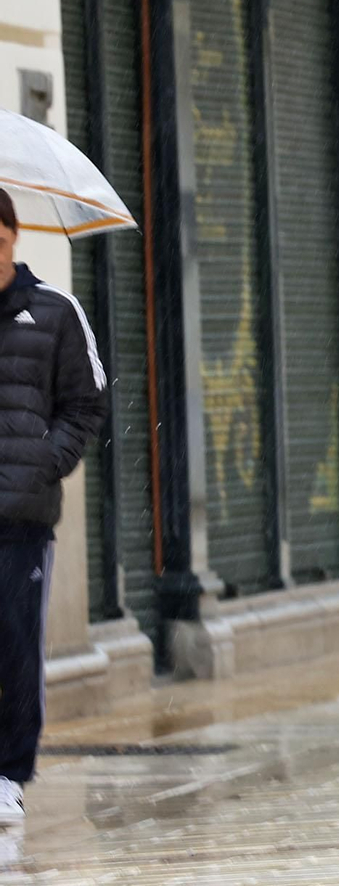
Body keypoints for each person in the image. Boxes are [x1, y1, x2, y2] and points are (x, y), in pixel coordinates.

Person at [0, 188, 107, 829]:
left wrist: (44, 460)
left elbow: (87, 403)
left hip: (22, 517)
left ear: (13, 238)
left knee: (16, 648)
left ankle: (9, 773)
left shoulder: (56, 311)